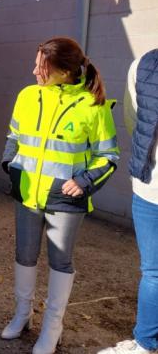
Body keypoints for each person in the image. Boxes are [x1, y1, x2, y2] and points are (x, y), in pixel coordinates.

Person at [0, 37, 119, 354]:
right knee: (24, 256)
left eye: (41, 65)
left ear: (64, 71)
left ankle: (52, 328)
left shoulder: (92, 106)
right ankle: (22, 315)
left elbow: (109, 157)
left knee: (60, 262)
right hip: (27, 193)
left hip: (66, 201)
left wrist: (84, 180)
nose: (34, 70)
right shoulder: (27, 95)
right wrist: (9, 165)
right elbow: (14, 136)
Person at [98, 50, 158, 354]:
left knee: (154, 272)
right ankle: (146, 342)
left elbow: (134, 121)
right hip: (150, 189)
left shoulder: (145, 65)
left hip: (150, 184)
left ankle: (145, 343)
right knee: (153, 272)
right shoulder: (143, 65)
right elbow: (133, 120)